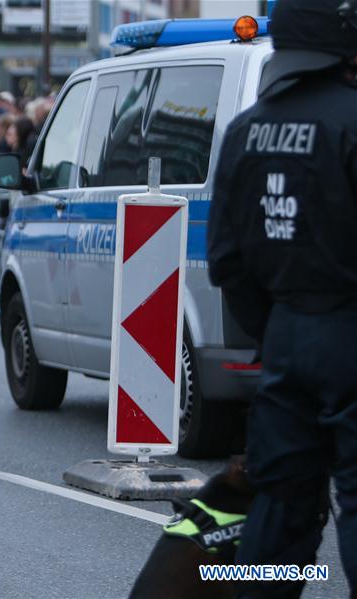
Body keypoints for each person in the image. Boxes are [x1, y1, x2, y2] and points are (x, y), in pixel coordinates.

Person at [206, 0, 357, 594]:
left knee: (281, 499)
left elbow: (226, 259)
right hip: (349, 331)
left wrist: (275, 331)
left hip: (284, 338)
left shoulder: (245, 130)